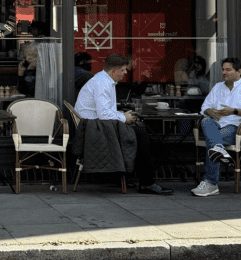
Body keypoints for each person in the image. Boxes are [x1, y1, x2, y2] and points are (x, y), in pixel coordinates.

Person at [74, 53, 174, 195]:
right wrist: (124, 118)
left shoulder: (103, 80)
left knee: (140, 132)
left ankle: (130, 178)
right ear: (114, 71)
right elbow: (104, 114)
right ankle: (147, 183)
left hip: (96, 125)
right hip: (93, 129)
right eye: (123, 70)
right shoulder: (102, 83)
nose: (126, 72)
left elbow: (104, 112)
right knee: (141, 135)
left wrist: (123, 116)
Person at [191, 57, 241, 197]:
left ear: (238, 72)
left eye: (228, 70)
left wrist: (233, 111)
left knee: (213, 142)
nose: (224, 73)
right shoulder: (217, 87)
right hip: (215, 125)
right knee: (206, 121)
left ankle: (210, 183)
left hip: (235, 127)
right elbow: (204, 107)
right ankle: (218, 150)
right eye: (223, 70)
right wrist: (209, 111)